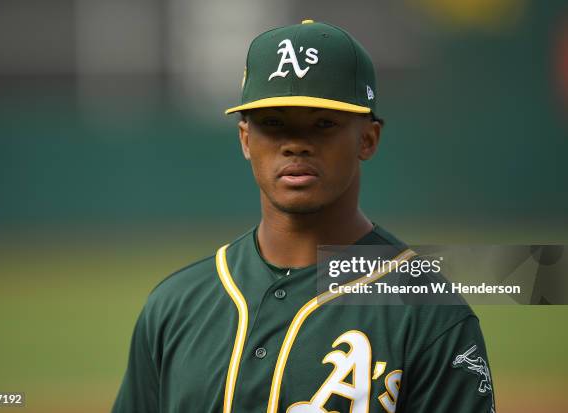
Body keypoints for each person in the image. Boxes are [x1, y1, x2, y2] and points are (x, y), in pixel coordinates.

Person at [112, 19, 496, 413]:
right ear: (246, 139)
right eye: (273, 123)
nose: (295, 144)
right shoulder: (174, 307)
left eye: (323, 123)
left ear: (368, 139)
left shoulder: (430, 313)